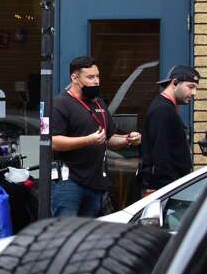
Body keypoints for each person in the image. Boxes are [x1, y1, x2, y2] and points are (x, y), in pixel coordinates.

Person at [51, 56, 141, 217]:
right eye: (90, 77)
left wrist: (128, 139)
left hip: (96, 183)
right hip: (69, 182)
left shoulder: (99, 104)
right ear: (75, 78)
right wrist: (89, 140)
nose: (96, 81)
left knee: (89, 236)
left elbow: (109, 138)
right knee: (65, 234)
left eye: (97, 76)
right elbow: (54, 142)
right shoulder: (60, 103)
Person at [139, 65, 198, 194]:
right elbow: (161, 153)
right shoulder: (162, 110)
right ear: (175, 83)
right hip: (163, 190)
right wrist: (168, 191)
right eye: (191, 87)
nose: (194, 93)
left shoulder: (167, 107)